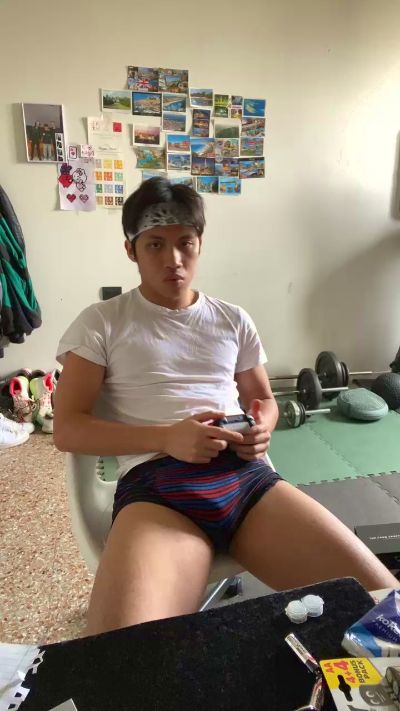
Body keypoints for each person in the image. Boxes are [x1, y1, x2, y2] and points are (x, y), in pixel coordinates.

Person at [54, 177, 398, 636]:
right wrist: (167, 437)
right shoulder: (100, 323)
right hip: (158, 488)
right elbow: (68, 428)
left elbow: (264, 400)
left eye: (185, 243)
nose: (173, 259)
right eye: (155, 245)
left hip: (245, 480)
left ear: (199, 244)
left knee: (384, 609)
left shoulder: (232, 319)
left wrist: (262, 427)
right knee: (124, 653)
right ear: (130, 250)